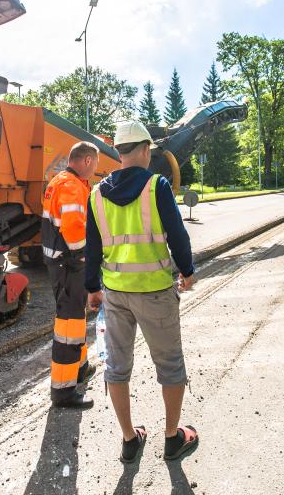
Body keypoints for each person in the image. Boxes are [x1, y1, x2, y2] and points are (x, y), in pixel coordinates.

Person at [85, 120, 200, 463]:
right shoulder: (156, 186)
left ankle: (129, 440)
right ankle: (171, 438)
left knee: (116, 368)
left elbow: (91, 250)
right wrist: (187, 270)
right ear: (146, 150)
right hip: (155, 292)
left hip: (115, 294)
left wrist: (93, 288)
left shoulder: (95, 194)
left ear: (119, 151)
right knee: (169, 365)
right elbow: (177, 235)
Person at [42, 141, 100, 409]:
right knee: (68, 327)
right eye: (96, 164)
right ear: (87, 161)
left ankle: (80, 367)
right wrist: (91, 256)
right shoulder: (72, 187)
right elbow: (75, 233)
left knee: (76, 320)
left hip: (62, 264)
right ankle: (63, 392)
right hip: (70, 264)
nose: (96, 169)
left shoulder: (59, 181)